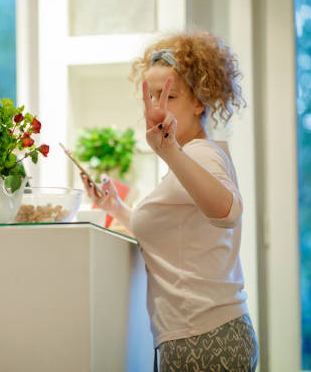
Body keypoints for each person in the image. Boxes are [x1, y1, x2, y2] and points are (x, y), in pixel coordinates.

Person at [82, 32, 259, 371]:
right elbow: (172, 232)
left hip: (207, 339)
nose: (156, 107)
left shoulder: (200, 154)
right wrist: (114, 207)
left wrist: (171, 152)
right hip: (201, 336)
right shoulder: (188, 157)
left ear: (199, 102)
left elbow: (229, 211)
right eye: (149, 97)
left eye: (169, 96)